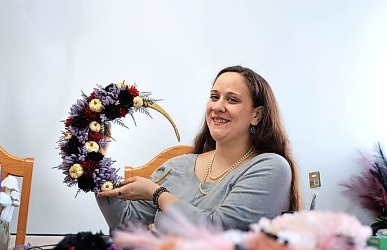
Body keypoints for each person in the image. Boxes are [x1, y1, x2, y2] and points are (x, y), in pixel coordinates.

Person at [97, 65, 301, 231]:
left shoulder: (271, 167)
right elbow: (124, 226)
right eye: (214, 97)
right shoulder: (176, 166)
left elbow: (218, 231)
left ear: (256, 115)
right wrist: (95, 165)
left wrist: (157, 194)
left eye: (232, 99)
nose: (218, 106)